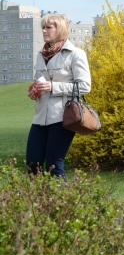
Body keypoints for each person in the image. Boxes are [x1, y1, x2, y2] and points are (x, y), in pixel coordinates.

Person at [26, 14, 91, 178]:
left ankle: (62, 203)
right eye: (43, 27)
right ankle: (38, 202)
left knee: (54, 165)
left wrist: (53, 87)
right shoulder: (41, 54)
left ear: (59, 29)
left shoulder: (75, 54)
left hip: (63, 117)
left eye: (49, 27)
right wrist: (34, 90)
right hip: (40, 117)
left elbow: (84, 86)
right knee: (32, 165)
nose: (44, 30)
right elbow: (40, 80)